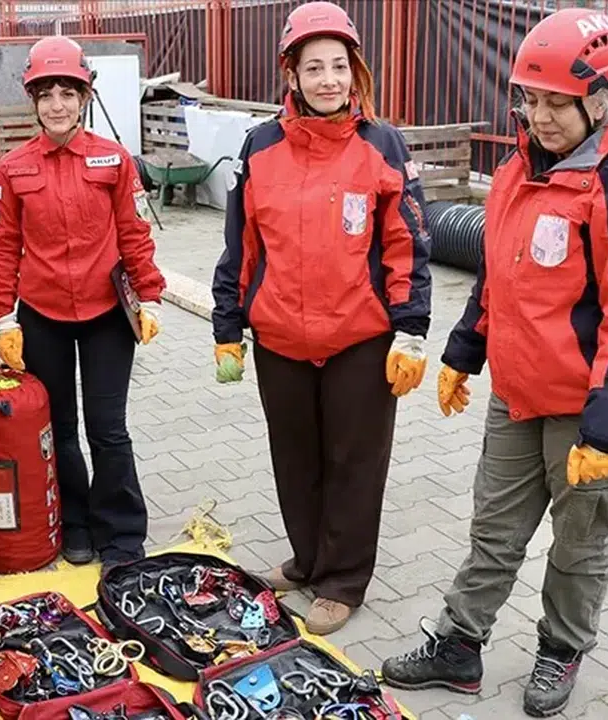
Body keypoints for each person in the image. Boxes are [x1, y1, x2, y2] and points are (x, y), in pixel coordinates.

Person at [378, 8, 608, 717]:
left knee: (579, 545)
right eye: (530, 99)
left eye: (555, 103)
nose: (538, 117)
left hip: (591, 409)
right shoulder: (523, 166)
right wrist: (463, 353)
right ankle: (459, 644)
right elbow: (499, 273)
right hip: (518, 396)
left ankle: (561, 649)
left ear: (601, 98)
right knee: (495, 531)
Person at [210, 1, 432, 636]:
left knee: (354, 462)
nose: (328, 79)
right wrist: (228, 326)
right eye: (315, 67)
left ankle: (343, 578)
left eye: (339, 65)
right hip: (279, 337)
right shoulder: (260, 147)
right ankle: (308, 561)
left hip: (360, 340)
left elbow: (409, 244)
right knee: (296, 457)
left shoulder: (381, 145)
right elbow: (241, 244)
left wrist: (411, 330)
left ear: (355, 71)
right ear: (293, 74)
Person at [0, 36, 166, 570]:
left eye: (68, 92)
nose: (57, 104)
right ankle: (77, 524)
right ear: (33, 100)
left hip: (107, 314)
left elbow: (134, 232)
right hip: (43, 319)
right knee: (59, 429)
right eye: (46, 94)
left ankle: (122, 535)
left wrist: (149, 296)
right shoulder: (13, 168)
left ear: (84, 96)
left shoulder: (112, 160)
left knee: (107, 429)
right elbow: (4, 244)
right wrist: (2, 315)